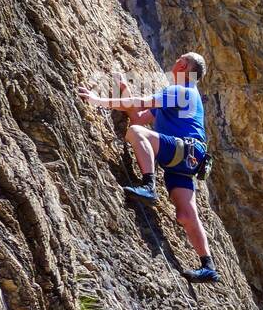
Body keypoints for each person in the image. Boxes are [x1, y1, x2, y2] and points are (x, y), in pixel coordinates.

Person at [77, 53, 219, 283]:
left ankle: (148, 184)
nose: (174, 61)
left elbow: (138, 119)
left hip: (184, 151)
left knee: (135, 134)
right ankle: (208, 266)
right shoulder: (179, 96)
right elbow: (139, 116)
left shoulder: (181, 90)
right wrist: (124, 91)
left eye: (178, 59)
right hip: (186, 159)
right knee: (185, 213)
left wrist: (97, 101)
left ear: (183, 64)